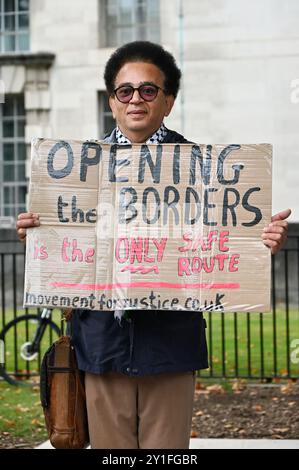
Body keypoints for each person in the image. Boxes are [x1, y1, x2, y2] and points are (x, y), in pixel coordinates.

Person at [16, 41, 291, 449]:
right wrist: (40, 234)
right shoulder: (76, 168)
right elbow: (66, 250)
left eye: (148, 90)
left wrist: (258, 243)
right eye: (124, 91)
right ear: (112, 101)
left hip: (169, 346)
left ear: (168, 101)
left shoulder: (204, 167)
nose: (135, 100)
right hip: (100, 344)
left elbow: (227, 240)